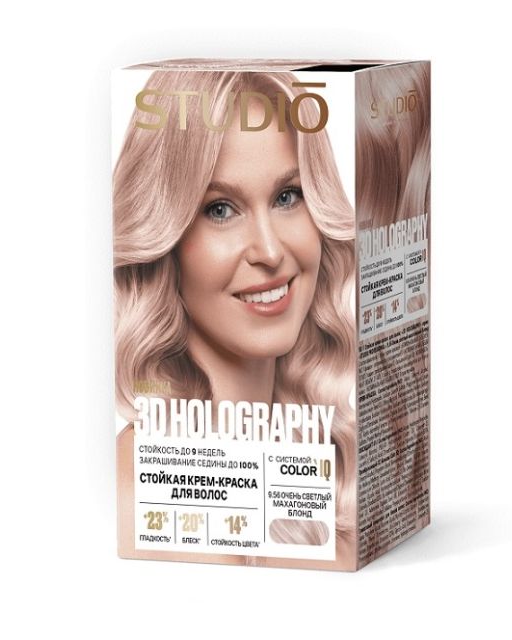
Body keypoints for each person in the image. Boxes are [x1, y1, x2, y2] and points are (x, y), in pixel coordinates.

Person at [113, 69, 356, 569]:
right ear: (164, 237)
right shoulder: (143, 488)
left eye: (287, 197)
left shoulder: (337, 477)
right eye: (221, 210)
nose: (270, 251)